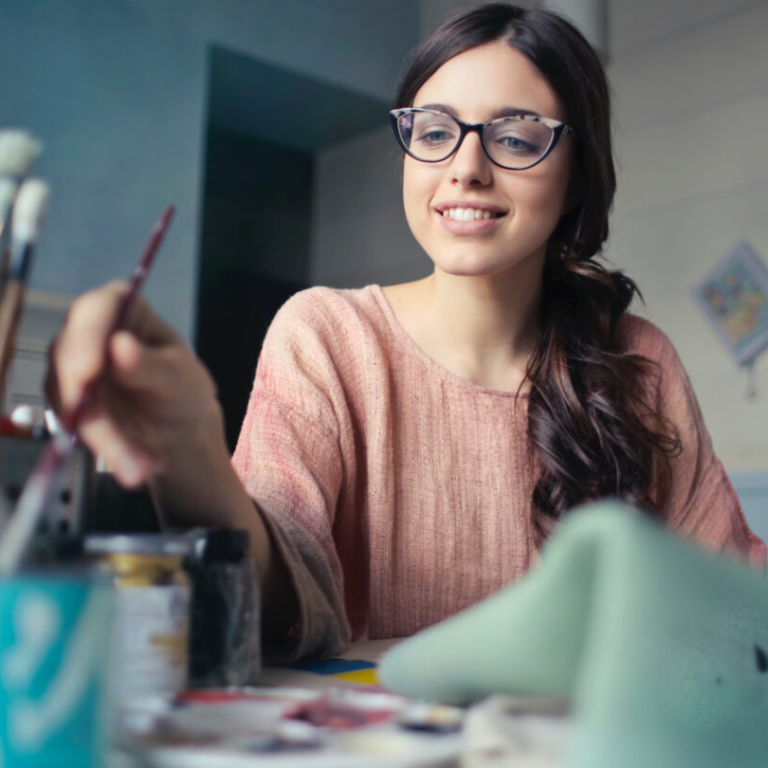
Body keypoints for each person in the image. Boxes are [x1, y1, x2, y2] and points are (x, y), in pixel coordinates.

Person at [48, 3, 765, 661]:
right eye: (434, 132)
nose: (466, 168)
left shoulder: (636, 361)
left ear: (577, 176)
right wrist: (194, 453)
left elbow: (731, 603)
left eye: (516, 138)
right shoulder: (325, 336)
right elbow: (277, 601)